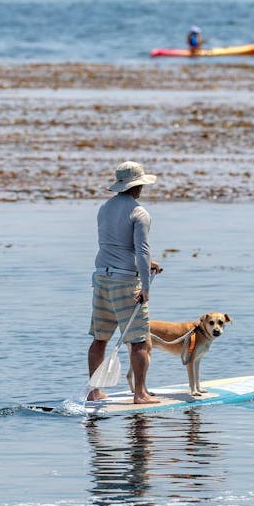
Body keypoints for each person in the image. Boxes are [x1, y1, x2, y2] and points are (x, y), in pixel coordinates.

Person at [87, 161, 163, 404]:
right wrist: (146, 288)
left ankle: (94, 391)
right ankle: (140, 394)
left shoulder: (104, 208)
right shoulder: (139, 212)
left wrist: (147, 263)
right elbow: (140, 251)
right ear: (138, 186)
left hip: (101, 277)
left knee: (100, 339)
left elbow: (115, 245)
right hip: (124, 283)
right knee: (139, 340)